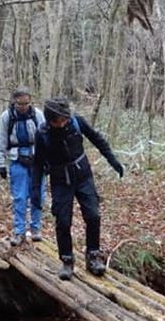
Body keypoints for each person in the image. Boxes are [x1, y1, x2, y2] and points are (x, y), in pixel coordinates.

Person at [31, 96, 124, 280]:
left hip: (83, 177)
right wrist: (35, 191)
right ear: (50, 120)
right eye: (60, 120)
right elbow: (37, 164)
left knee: (93, 215)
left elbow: (97, 139)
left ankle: (93, 257)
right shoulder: (42, 134)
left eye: (65, 118)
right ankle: (67, 261)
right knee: (63, 222)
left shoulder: (76, 122)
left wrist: (113, 160)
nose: (64, 122)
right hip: (60, 182)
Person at [0, 86, 47, 246]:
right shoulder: (7, 117)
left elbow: (47, 139)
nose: (23, 107)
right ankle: (19, 231)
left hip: (37, 159)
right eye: (20, 104)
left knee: (38, 195)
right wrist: (1, 164)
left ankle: (36, 229)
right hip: (17, 159)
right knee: (19, 197)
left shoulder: (38, 115)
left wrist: (49, 161)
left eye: (26, 103)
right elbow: (2, 140)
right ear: (14, 102)